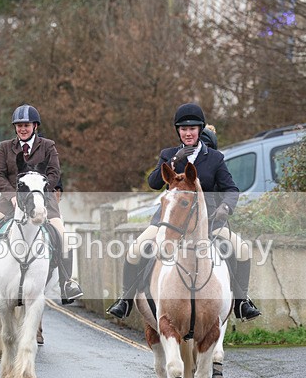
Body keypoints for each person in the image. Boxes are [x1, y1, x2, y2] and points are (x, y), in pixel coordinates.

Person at [106, 103, 261, 321]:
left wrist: (225, 207)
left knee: (242, 249)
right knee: (135, 250)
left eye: (192, 129)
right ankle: (125, 300)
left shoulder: (215, 158)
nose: (188, 133)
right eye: (183, 129)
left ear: (200, 130)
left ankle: (242, 302)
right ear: (178, 130)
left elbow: (231, 189)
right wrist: (174, 160)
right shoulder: (168, 154)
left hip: (208, 224)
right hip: (169, 222)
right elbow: (153, 183)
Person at [0, 104, 83, 304]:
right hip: (9, 201)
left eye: (26, 125)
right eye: (19, 125)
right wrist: (12, 195)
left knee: (64, 237)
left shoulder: (48, 146)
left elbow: (54, 174)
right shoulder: (5, 147)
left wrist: (39, 194)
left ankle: (67, 283)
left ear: (35, 126)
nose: (22, 129)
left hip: (42, 201)